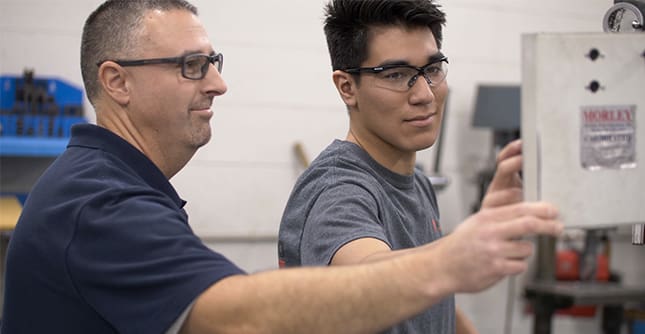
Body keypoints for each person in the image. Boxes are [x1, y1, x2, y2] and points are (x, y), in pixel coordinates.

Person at [1, 0, 562, 333]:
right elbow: (236, 313)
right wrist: (451, 261)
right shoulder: (98, 204)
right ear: (116, 82)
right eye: (193, 66)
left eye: (432, 68)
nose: (219, 83)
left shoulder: (122, 187)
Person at [278, 0, 539, 333]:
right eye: (397, 75)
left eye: (431, 70)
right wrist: (456, 256)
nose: (425, 95)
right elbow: (367, 277)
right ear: (347, 87)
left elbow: (432, 297)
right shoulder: (338, 191)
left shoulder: (416, 181)